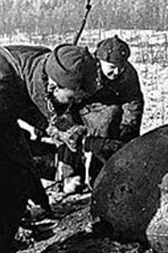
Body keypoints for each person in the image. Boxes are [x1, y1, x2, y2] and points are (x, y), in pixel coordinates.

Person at [0, 43, 98, 253]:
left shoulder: (44, 62)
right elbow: (4, 104)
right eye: (74, 96)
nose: (76, 102)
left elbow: (29, 97)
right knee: (2, 190)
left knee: (18, 178)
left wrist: (57, 127)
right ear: (55, 85)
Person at [58, 35, 144, 193]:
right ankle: (70, 174)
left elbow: (133, 100)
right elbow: (65, 99)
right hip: (76, 106)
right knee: (77, 131)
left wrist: (128, 126)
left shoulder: (128, 73)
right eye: (111, 67)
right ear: (98, 61)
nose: (117, 72)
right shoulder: (84, 69)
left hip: (106, 107)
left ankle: (100, 173)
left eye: (121, 66)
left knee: (112, 120)